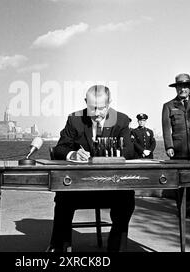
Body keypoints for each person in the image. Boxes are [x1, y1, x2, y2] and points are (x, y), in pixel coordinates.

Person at [48, 85, 136, 252]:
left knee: (127, 198)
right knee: (63, 198)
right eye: (92, 107)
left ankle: (115, 245)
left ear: (109, 103)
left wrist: (102, 155)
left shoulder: (122, 120)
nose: (96, 113)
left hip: (111, 188)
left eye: (101, 108)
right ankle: (60, 247)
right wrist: (72, 154)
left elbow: (129, 152)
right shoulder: (75, 119)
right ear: (85, 102)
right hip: (80, 189)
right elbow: (60, 148)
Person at [162, 73, 190, 221]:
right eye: (180, 86)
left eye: (186, 87)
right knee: (179, 182)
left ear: (189, 88)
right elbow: (166, 128)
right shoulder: (168, 106)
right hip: (178, 150)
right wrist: (168, 146)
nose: (183, 90)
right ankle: (181, 210)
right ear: (176, 88)